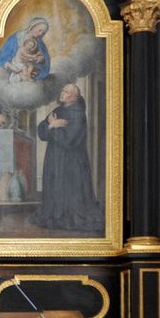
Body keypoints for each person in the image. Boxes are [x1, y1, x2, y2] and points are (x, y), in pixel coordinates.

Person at [28, 83, 105, 234]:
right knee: (54, 185)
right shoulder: (57, 111)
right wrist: (52, 126)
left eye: (66, 92)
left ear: (74, 97)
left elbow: (70, 140)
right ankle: (55, 214)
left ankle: (67, 215)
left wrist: (54, 127)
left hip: (72, 162)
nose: (62, 93)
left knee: (70, 188)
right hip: (54, 158)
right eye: (62, 90)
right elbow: (42, 132)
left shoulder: (79, 115)